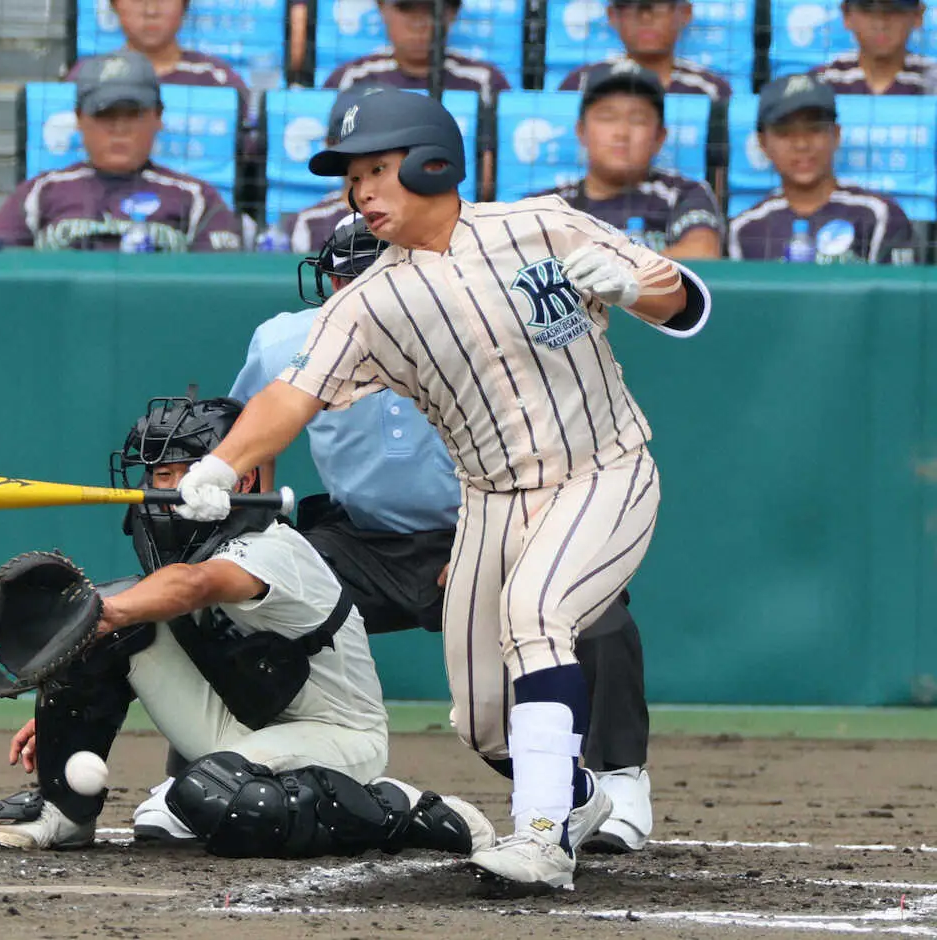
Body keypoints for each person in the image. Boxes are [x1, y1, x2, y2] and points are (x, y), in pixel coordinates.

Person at [172, 87, 710, 887]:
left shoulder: (541, 224)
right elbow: (291, 395)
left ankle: (542, 838)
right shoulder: (366, 303)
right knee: (484, 722)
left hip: (603, 469)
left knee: (536, 616)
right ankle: (577, 798)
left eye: (376, 170)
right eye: (354, 178)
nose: (360, 192)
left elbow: (688, 304)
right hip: (490, 499)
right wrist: (222, 464)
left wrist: (636, 289)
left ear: (432, 162)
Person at [235, 212, 659, 852]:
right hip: (363, 540)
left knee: (592, 616)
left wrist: (484, 535)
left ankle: (618, 777)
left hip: (497, 520)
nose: (360, 292)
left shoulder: (484, 323)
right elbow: (253, 429)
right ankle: (222, 770)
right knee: (251, 599)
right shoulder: (288, 340)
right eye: (348, 279)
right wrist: (259, 532)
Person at [0, 395, 496, 860]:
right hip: (243, 725)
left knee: (216, 796)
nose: (163, 490)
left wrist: (106, 613)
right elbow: (137, 627)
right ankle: (65, 812)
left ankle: (405, 810)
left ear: (243, 480)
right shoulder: (183, 552)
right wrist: (67, 717)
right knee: (110, 621)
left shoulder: (273, 549)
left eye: (183, 473)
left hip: (337, 737)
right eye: (158, 475)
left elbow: (196, 585)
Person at [0, 49, 242, 252]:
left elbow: (219, 282)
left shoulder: (196, 198)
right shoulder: (40, 192)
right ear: (79, 119)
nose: (119, 129)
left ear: (158, 117)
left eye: (133, 114)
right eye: (105, 115)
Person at [537, 61, 723, 260]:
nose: (622, 133)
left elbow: (703, 253)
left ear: (659, 137)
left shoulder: (684, 195)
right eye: (607, 117)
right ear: (581, 131)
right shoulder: (549, 206)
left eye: (637, 120)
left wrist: (610, 270)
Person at [728, 74, 915, 264]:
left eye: (814, 129)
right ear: (763, 143)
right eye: (785, 133)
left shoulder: (879, 215)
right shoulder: (745, 229)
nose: (801, 144)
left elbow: (900, 284)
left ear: (836, 134)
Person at [67, 0, 250, 120]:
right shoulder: (87, 77)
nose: (151, 11)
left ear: (184, 6)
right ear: (115, 6)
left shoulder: (217, 80)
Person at [321, 0, 509, 104]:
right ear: (381, 8)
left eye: (432, 9)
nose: (418, 23)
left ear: (453, 13)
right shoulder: (350, 79)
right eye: (406, 7)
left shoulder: (485, 81)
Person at [279, 86, 383, 255]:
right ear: (331, 144)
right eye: (355, 143)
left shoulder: (417, 218)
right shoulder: (309, 223)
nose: (367, 153)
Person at [558, 0, 730, 102]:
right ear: (612, 15)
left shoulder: (712, 90)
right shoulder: (581, 84)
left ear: (685, 13)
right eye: (631, 5)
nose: (646, 17)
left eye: (660, 4)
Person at [810, 0, 937, 95]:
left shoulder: (933, 80)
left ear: (918, 15)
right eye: (867, 10)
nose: (880, 24)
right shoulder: (820, 82)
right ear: (846, 15)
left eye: (894, 10)